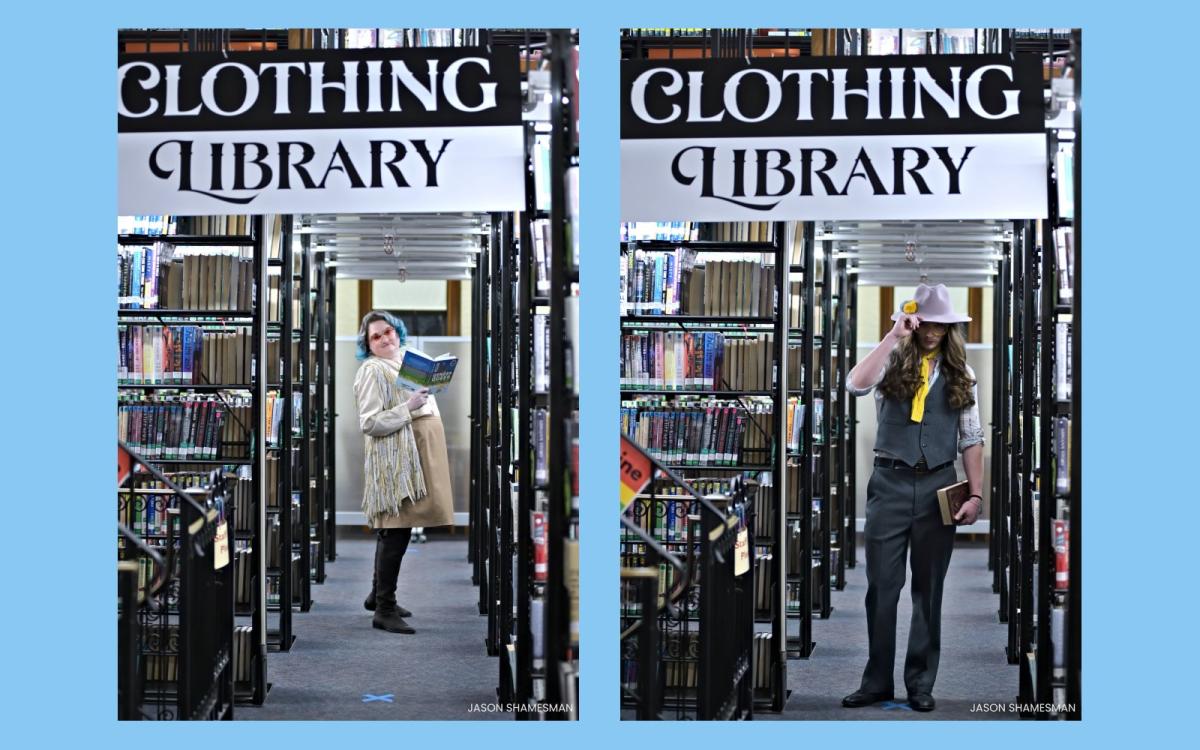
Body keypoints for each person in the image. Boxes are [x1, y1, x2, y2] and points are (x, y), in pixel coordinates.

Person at [840, 284, 984, 713]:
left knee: (929, 591)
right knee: (882, 588)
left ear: (951, 327)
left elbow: (972, 438)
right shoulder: (891, 362)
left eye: (943, 323)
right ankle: (877, 681)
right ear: (915, 320)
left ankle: (920, 682)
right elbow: (854, 384)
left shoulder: (964, 374)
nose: (934, 331)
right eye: (928, 322)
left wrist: (975, 495)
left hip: (939, 486)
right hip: (890, 485)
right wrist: (893, 336)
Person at [353, 310, 455, 634]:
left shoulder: (405, 363)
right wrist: (408, 407)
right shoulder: (371, 370)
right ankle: (384, 608)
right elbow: (370, 422)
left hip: (416, 450)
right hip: (396, 460)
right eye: (376, 337)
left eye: (388, 332)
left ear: (398, 332)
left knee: (399, 528)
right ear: (367, 345)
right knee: (396, 528)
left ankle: (378, 594)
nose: (385, 339)